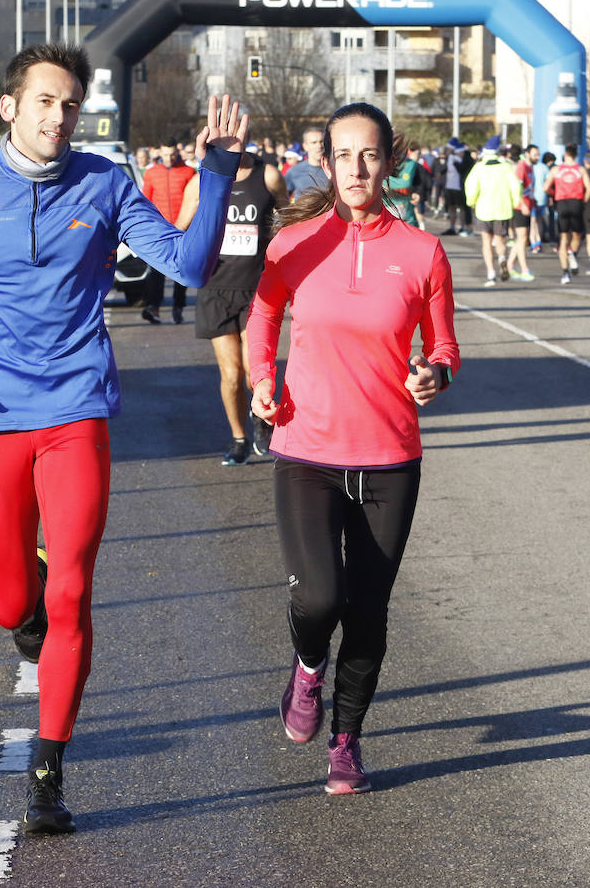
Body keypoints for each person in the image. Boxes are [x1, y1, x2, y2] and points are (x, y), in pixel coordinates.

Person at [0, 43, 245, 836]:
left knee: (72, 590)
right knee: (14, 601)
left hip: (76, 410)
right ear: (10, 107)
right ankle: (28, 603)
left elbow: (189, 263)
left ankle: (48, 768)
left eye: (70, 104)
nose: (58, 116)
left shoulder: (105, 183)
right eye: (44, 101)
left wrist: (216, 174)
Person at [246, 101, 458, 796]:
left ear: (389, 160)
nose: (357, 168)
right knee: (320, 598)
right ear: (328, 162)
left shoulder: (422, 251)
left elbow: (445, 344)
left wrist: (436, 373)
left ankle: (347, 740)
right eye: (344, 154)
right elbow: (263, 314)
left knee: (368, 610)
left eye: (369, 154)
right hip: (307, 448)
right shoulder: (296, 243)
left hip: (391, 457)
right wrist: (260, 381)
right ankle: (307, 669)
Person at [175, 147, 287, 465]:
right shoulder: (201, 182)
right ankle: (239, 439)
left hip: (256, 288)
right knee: (231, 373)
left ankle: (262, 419)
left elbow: (289, 221)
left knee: (255, 371)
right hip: (215, 289)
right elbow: (179, 228)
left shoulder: (268, 176)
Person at [141, 142, 196, 323]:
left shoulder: (189, 173)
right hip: (159, 229)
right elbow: (145, 201)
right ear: (160, 153)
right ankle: (153, 307)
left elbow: (196, 199)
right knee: (155, 270)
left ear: (177, 153)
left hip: (183, 228)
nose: (169, 158)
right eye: (165, 154)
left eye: (172, 154)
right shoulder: (151, 173)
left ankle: (178, 307)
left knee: (181, 271)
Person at [464, 135, 519, 285]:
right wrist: (515, 202)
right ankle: (502, 259)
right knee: (500, 240)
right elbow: (515, 186)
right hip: (502, 209)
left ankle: (491, 273)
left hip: (484, 210)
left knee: (486, 242)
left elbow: (471, 187)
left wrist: (471, 201)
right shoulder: (505, 167)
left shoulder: (479, 168)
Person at [542, 143, 590, 284]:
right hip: (576, 202)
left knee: (563, 238)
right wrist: (583, 201)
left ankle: (565, 273)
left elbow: (546, 187)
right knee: (577, 235)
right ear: (576, 155)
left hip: (562, 203)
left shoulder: (556, 170)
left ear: (565, 155)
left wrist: (554, 193)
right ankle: (572, 254)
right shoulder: (580, 170)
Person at [505, 145, 536, 280]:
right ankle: (524, 268)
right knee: (522, 237)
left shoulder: (530, 168)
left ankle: (509, 264)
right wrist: (523, 204)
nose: (537, 157)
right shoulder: (522, 166)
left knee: (522, 238)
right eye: (535, 154)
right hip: (519, 206)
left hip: (528, 205)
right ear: (527, 154)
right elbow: (517, 188)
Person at [284, 127, 330, 199]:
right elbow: (281, 200)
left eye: (321, 142)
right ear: (305, 146)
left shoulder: (334, 170)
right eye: (314, 143)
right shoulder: (293, 172)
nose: (319, 146)